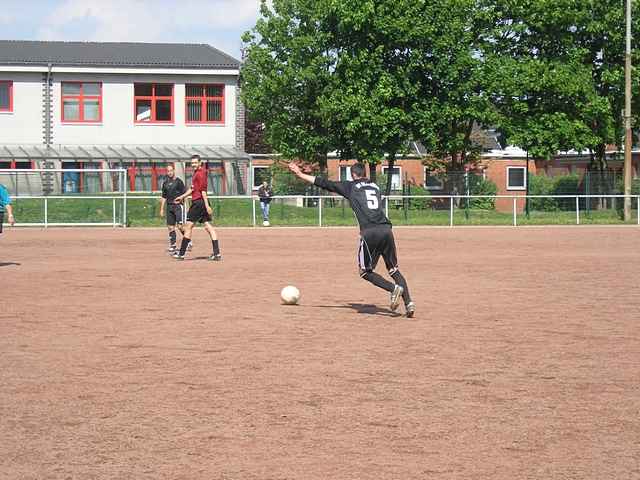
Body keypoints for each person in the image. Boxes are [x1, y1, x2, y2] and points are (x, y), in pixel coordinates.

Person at [289, 162, 415, 317]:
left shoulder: (351, 187)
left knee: (365, 272)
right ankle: (409, 303)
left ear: (353, 175)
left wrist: (300, 174)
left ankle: (393, 289)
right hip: (386, 230)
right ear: (365, 173)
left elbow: (324, 183)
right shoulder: (375, 187)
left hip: (370, 232)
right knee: (394, 269)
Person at [172, 154, 222, 261]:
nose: (193, 164)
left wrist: (207, 206)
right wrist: (181, 197)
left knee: (188, 227)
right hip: (200, 202)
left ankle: (181, 254)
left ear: (200, 162)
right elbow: (192, 189)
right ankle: (217, 253)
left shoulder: (201, 173)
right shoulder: (196, 173)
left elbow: (203, 191)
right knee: (208, 226)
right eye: (192, 163)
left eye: (195, 162)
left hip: (199, 203)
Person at [159, 164, 191, 253]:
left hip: (178, 206)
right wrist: (161, 209)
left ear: (174, 171)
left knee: (180, 226)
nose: (169, 172)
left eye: (171, 170)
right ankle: (173, 245)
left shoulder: (179, 182)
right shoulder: (165, 183)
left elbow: (185, 194)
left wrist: (187, 207)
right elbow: (163, 196)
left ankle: (188, 241)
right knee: (170, 227)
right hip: (169, 206)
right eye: (168, 171)